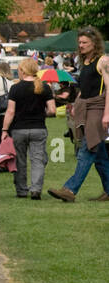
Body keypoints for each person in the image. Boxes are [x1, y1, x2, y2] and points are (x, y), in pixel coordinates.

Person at [48, 26, 109, 202]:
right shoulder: (86, 62)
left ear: (94, 43)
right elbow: (84, 88)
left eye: (85, 42)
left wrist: (106, 115)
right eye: (80, 42)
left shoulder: (103, 61)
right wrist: (76, 104)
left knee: (87, 148)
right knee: (100, 156)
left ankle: (70, 190)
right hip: (86, 108)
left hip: (98, 109)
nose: (81, 45)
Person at [1, 57, 55, 199]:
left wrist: (4, 130)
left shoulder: (15, 88)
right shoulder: (45, 87)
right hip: (38, 128)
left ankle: (21, 190)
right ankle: (36, 189)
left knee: (20, 160)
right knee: (38, 160)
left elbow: (10, 111)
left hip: (19, 129)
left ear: (23, 71)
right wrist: (42, 113)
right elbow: (52, 110)